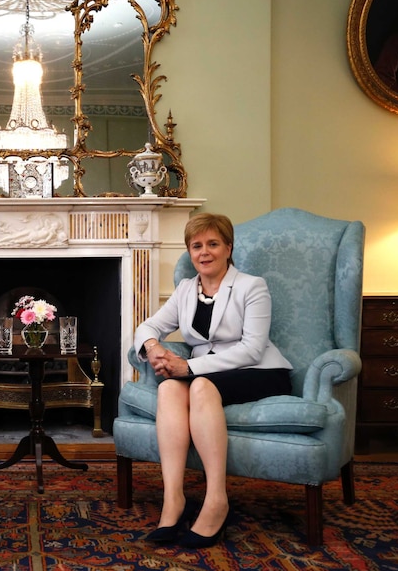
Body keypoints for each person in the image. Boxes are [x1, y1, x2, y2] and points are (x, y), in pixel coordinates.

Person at [133, 213, 292, 548]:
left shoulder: (252, 286)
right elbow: (148, 327)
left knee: (199, 384)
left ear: (228, 248)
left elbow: (252, 349)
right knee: (169, 389)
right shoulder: (186, 290)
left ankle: (217, 499)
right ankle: (173, 498)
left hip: (261, 372)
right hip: (210, 371)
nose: (204, 252)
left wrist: (189, 368)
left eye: (213, 244)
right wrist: (154, 348)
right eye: (196, 245)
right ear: (190, 252)